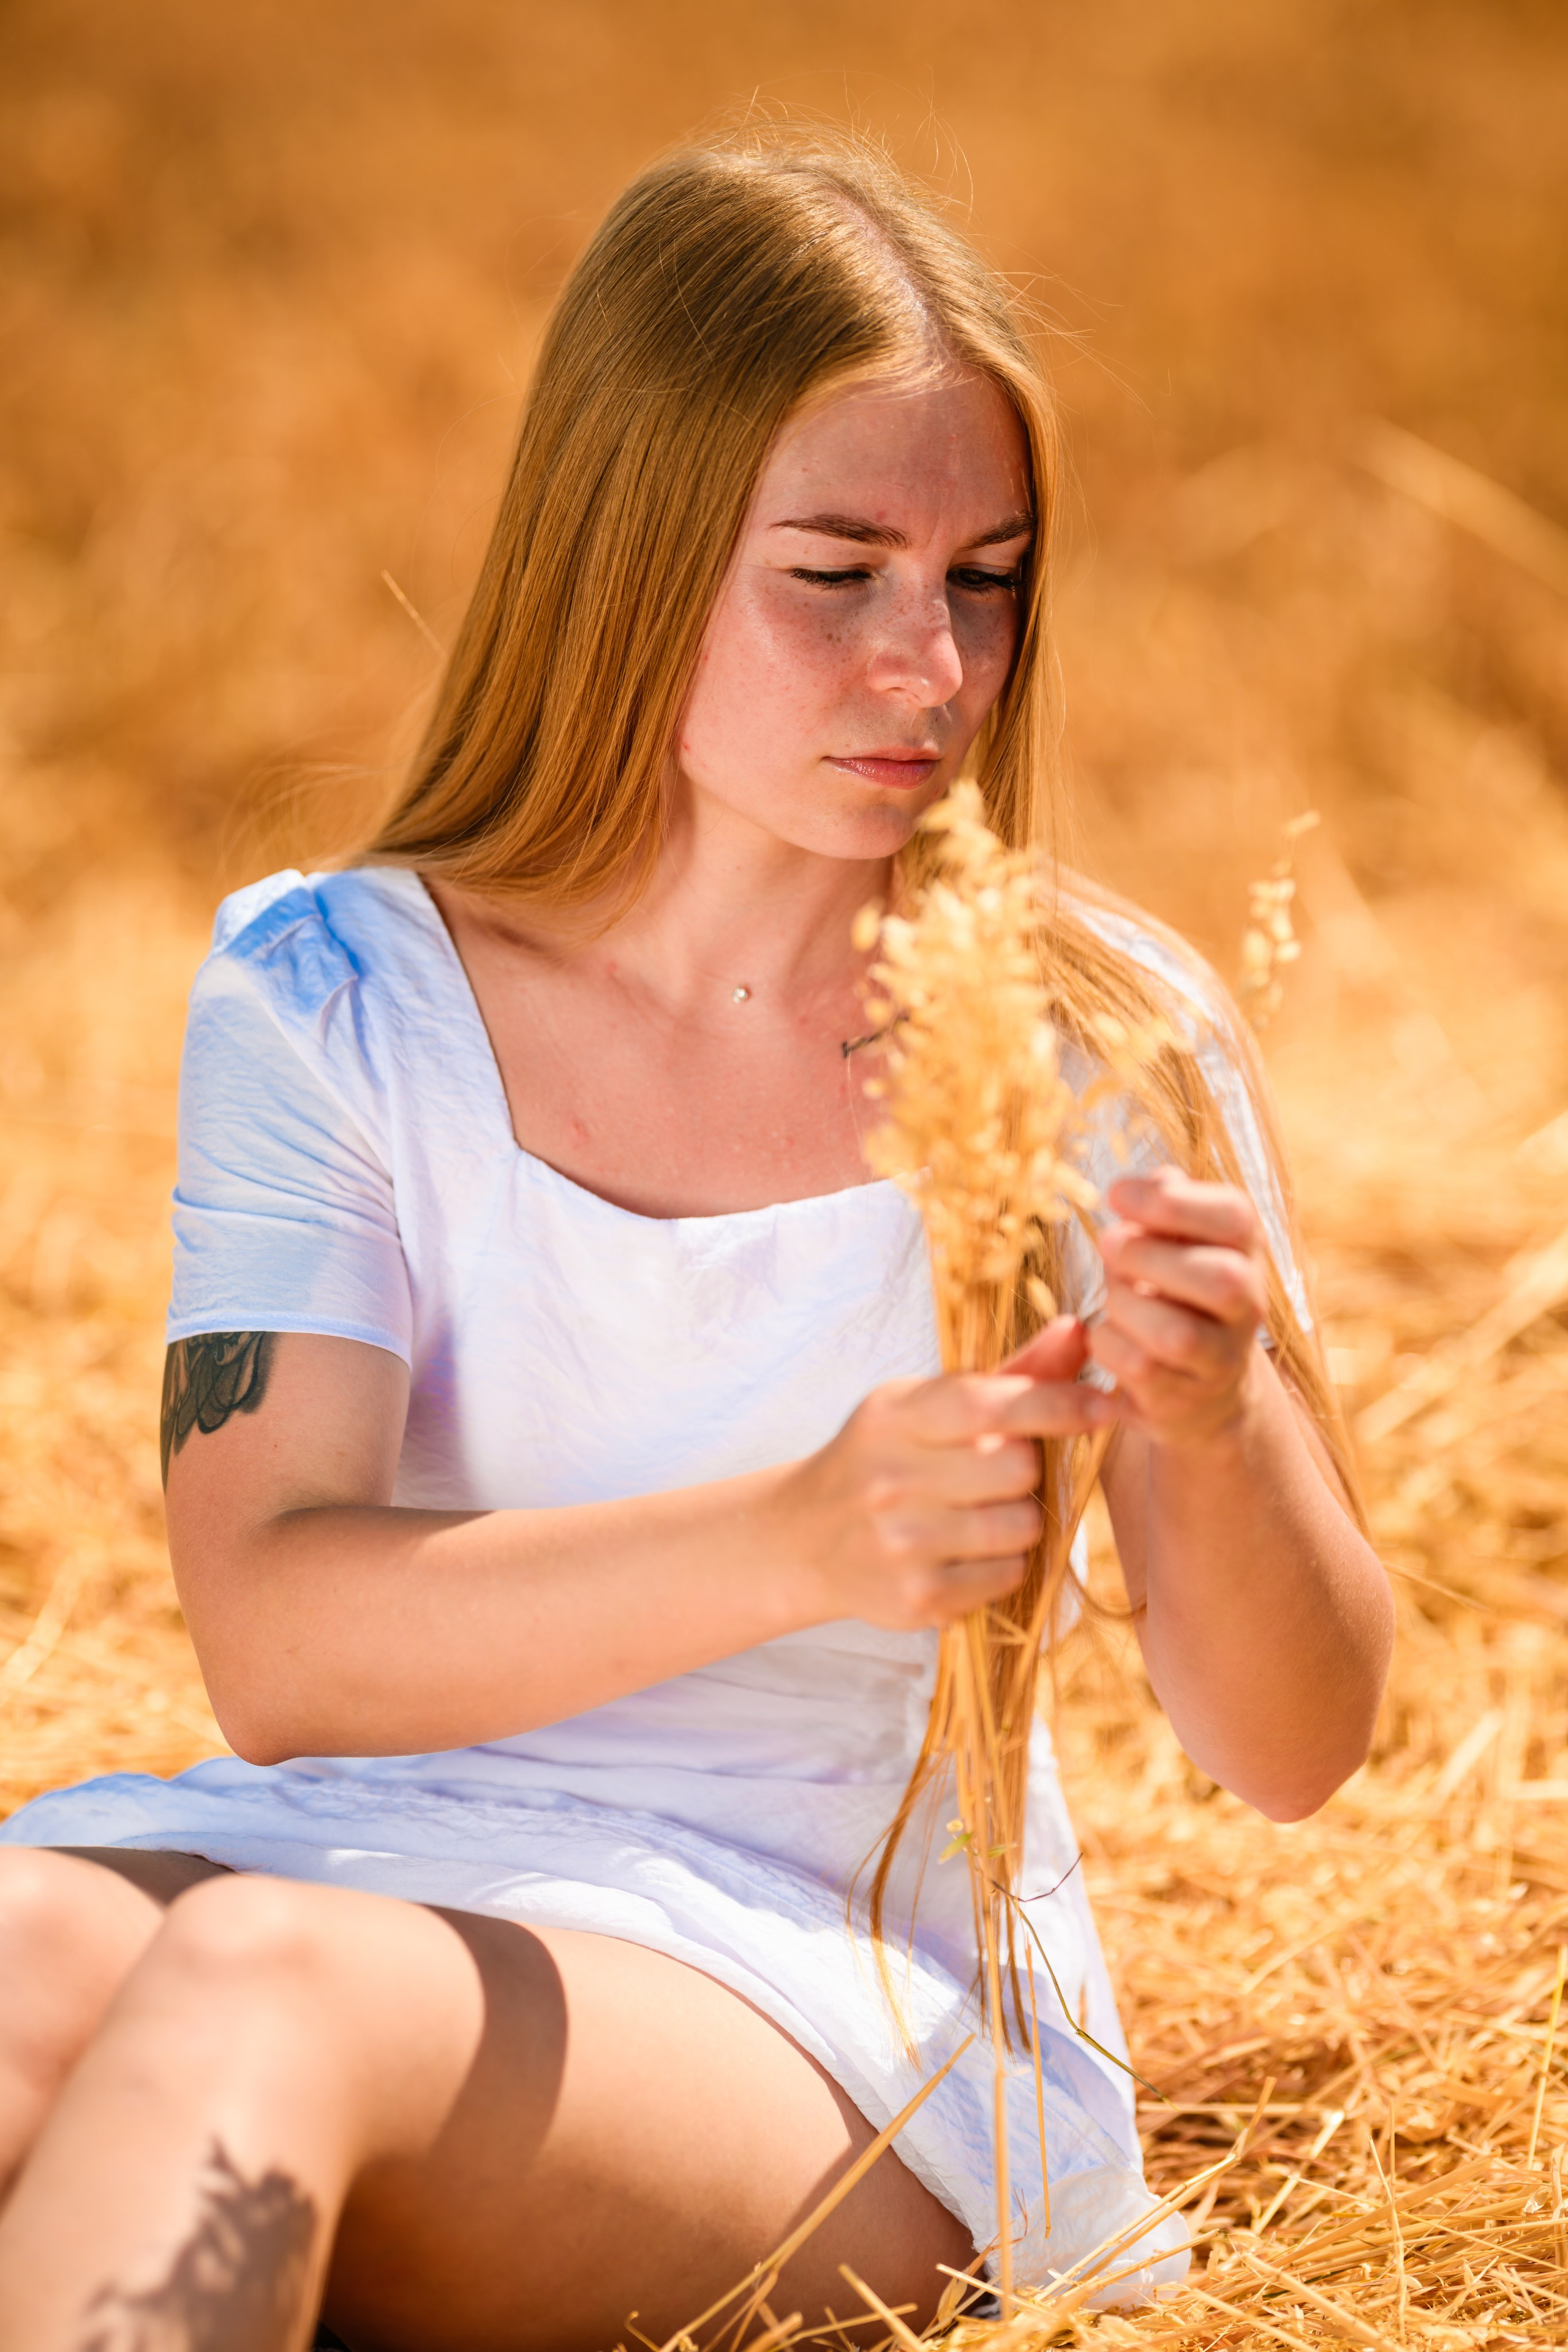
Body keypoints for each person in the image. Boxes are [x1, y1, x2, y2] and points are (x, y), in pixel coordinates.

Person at [0, 129, 1392, 2352]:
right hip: (377, 1849)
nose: (929, 665)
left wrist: (1215, 1435)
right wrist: (807, 1532)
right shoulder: (338, 992)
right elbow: (278, 1647)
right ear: (628, 554)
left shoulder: (1076, 1037)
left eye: (989, 577)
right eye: (836, 573)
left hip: (826, 1991)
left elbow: (1300, 1748)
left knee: (259, 1990)